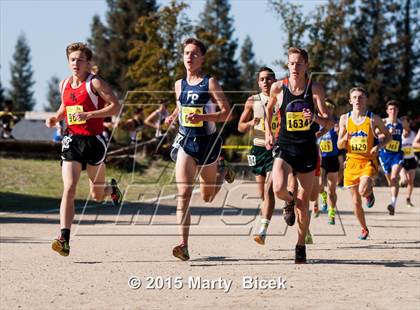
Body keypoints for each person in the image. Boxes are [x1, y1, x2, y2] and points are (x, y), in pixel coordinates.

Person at [45, 42, 123, 257]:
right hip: (72, 140)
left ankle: (111, 190)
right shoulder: (64, 85)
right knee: (69, 187)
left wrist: (89, 115)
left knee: (97, 195)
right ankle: (64, 238)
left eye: (80, 60)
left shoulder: (95, 83)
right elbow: (65, 107)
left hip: (94, 142)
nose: (76, 63)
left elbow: (115, 106)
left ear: (89, 63)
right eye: (72, 59)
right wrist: (56, 118)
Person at [165, 38, 234, 261]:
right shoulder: (179, 84)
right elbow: (181, 106)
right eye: (186, 52)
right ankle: (183, 245)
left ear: (202, 58)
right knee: (183, 194)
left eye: (194, 53)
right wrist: (173, 116)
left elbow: (227, 113)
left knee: (207, 197)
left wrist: (203, 116)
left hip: (208, 142)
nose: (189, 57)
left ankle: (222, 172)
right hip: (186, 142)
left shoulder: (210, 82)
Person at [265, 47, 333, 263]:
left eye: (299, 63)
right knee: (277, 188)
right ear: (288, 65)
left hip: (306, 148)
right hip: (285, 144)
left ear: (306, 66)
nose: (295, 67)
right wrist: (268, 132)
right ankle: (289, 201)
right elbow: (268, 111)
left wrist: (314, 118)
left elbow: (329, 122)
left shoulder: (315, 90)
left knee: (304, 205)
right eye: (291, 63)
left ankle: (300, 244)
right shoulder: (278, 87)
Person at [337, 87, 391, 240]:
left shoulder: (373, 118)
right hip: (351, 163)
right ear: (350, 101)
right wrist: (345, 137)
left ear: (366, 100)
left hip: (368, 161)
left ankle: (368, 192)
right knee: (355, 202)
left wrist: (378, 146)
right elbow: (340, 146)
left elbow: (388, 137)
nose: (357, 100)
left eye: (361, 97)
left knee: (362, 190)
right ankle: (364, 228)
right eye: (354, 97)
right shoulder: (344, 119)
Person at [237, 66, 277, 245]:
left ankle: (263, 229)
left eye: (269, 78)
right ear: (258, 82)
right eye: (262, 79)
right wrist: (250, 123)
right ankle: (265, 220)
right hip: (257, 149)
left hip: (275, 149)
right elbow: (240, 126)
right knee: (262, 194)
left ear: (274, 80)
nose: (266, 82)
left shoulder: (281, 98)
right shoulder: (252, 100)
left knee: (269, 190)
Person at [378, 100, 404, 215]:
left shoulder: (401, 123)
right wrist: (387, 133)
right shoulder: (383, 122)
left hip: (397, 154)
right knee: (391, 181)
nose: (393, 111)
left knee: (394, 178)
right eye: (391, 109)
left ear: (397, 111)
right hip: (384, 155)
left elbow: (408, 133)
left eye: (395, 109)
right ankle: (393, 199)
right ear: (387, 111)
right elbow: (376, 135)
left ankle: (393, 204)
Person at [316, 100, 340, 225]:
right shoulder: (319, 123)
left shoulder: (336, 123)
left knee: (332, 190)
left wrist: (340, 131)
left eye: (331, 107)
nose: (328, 108)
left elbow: (342, 135)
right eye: (327, 106)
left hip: (333, 159)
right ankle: (323, 196)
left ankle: (331, 212)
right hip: (321, 158)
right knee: (319, 186)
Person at [400, 120, 417, 207]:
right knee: (405, 180)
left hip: (411, 159)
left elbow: (417, 143)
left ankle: (408, 198)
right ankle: (401, 181)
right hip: (402, 160)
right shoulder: (399, 135)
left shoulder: (413, 134)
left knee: (411, 181)